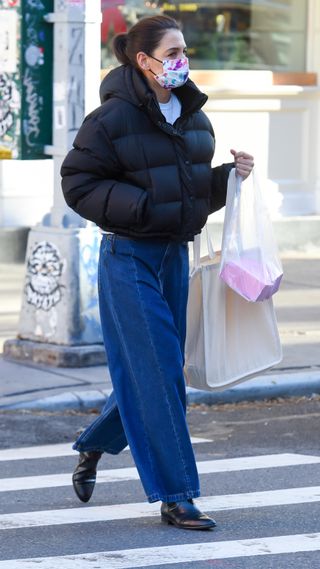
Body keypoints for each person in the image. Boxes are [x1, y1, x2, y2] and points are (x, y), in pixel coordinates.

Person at [61, 14, 254, 530]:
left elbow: (186, 190)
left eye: (183, 51)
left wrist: (227, 180)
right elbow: (77, 183)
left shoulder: (193, 116)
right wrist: (140, 208)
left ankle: (95, 445)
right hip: (128, 258)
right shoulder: (111, 119)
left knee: (158, 370)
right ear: (143, 60)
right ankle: (177, 495)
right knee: (160, 370)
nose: (180, 61)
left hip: (176, 257)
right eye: (171, 54)